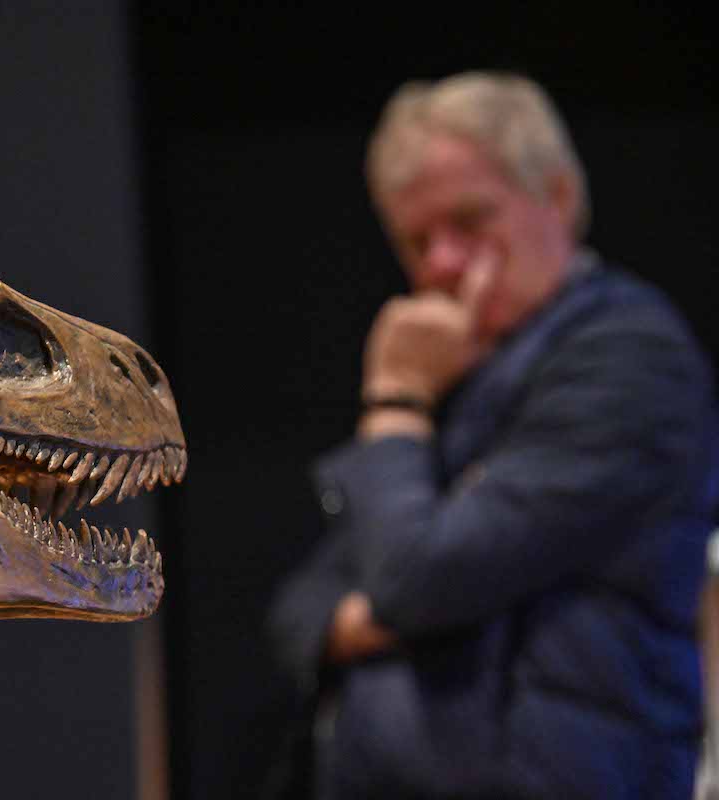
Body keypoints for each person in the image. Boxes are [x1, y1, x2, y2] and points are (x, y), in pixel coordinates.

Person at [267, 72, 718, 799]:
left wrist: (395, 398)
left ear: (559, 197)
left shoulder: (628, 356)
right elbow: (302, 602)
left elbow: (413, 576)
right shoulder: (469, 368)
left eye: (470, 221)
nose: (441, 265)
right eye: (416, 241)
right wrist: (354, 621)